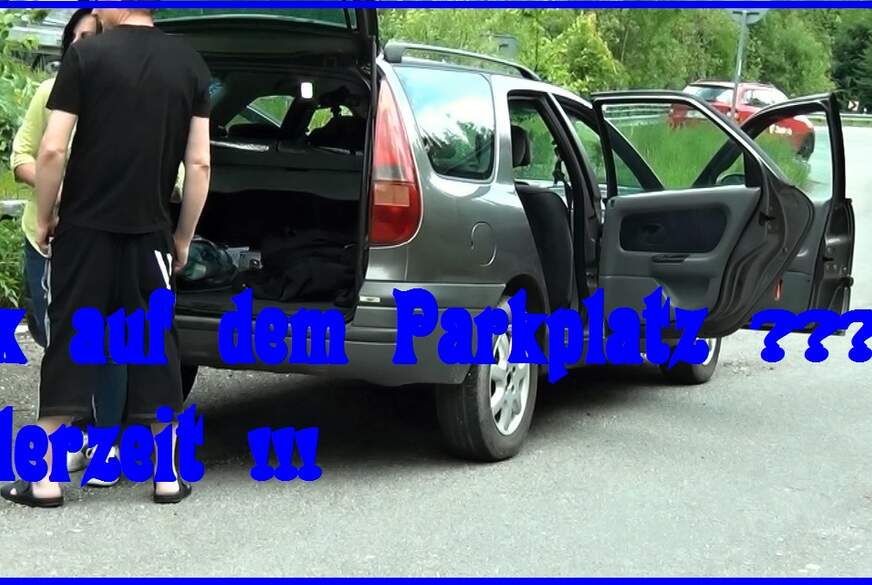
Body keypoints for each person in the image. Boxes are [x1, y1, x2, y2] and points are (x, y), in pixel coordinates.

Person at [1, 7, 211, 507]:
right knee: (156, 343)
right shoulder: (190, 64)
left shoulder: (86, 56)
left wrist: (46, 215)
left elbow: (51, 151)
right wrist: (182, 237)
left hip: (84, 231)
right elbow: (200, 163)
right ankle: (167, 476)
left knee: (72, 339)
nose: (93, 9)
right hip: (151, 233)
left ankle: (45, 478)